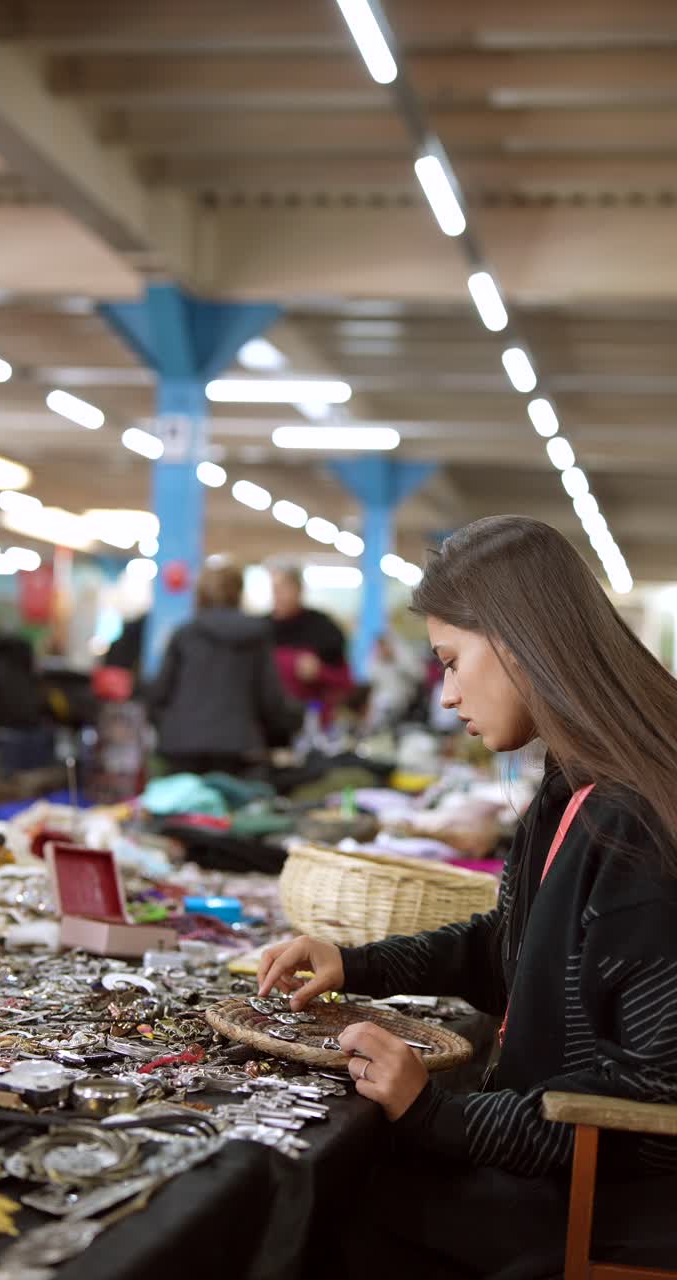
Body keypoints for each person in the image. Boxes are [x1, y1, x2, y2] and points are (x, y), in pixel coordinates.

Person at [258, 516, 677, 1278]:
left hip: (602, 1211)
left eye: (452, 662)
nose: (447, 695)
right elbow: (510, 949)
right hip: (564, 1176)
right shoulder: (574, 790)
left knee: (314, 1207)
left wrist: (438, 1117)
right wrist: (354, 965)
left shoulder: (630, 825)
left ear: (520, 645)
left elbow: (655, 1097)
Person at [148, 563, 302, 776]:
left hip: (181, 746)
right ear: (238, 593)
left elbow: (159, 695)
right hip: (238, 747)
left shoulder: (185, 634)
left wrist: (172, 727)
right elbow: (270, 699)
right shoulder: (257, 635)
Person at [269, 566, 353, 721]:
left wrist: (320, 671)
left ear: (299, 589)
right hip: (270, 718)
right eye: (275, 588)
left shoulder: (323, 627)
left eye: (284, 588)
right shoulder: (262, 629)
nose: (278, 595)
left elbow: (345, 679)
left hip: (313, 717)